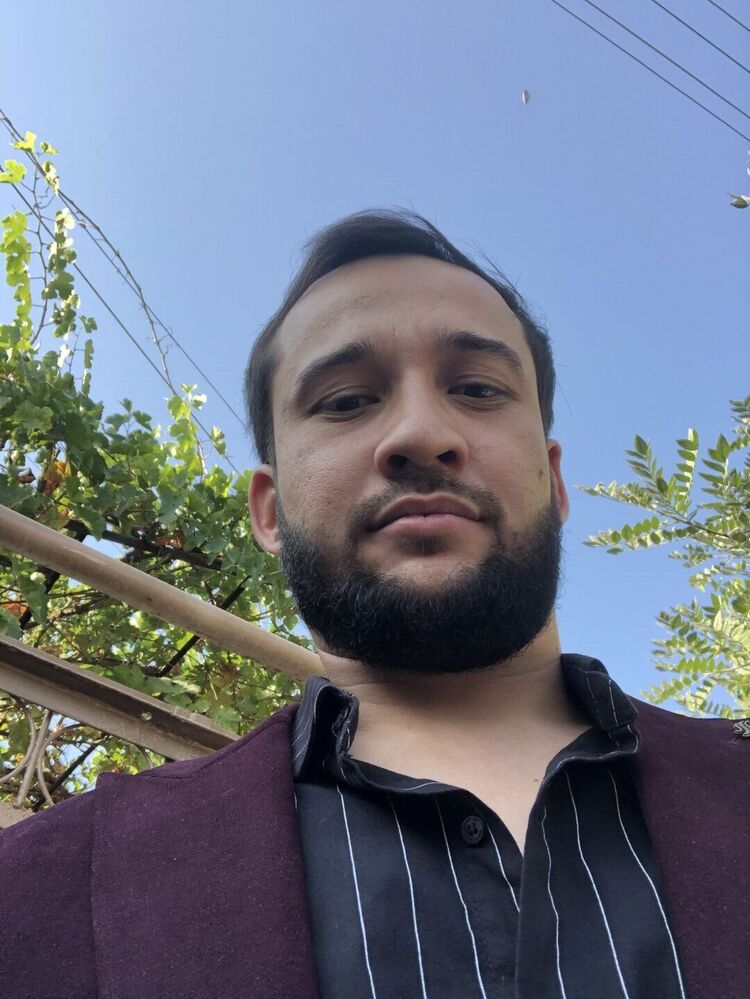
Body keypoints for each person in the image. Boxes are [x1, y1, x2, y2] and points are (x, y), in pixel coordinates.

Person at [2, 210, 747, 999]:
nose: (422, 432)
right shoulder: (34, 896)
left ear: (555, 480)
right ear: (269, 512)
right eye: (348, 400)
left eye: (477, 388)